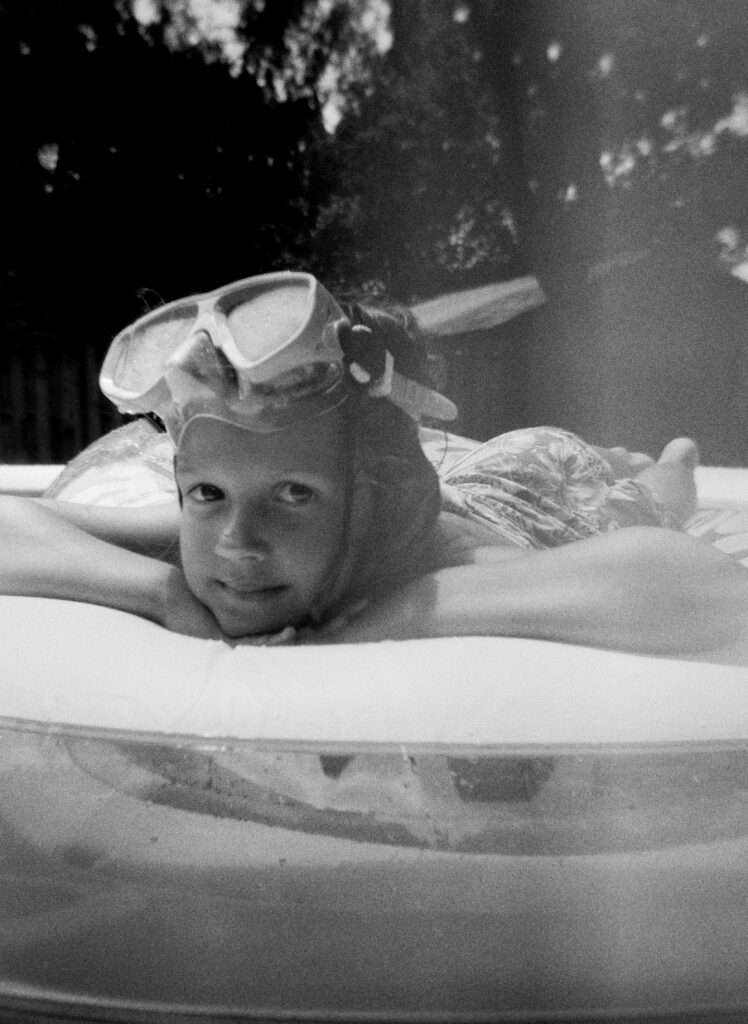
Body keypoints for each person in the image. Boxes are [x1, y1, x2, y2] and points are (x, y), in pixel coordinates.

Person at [0, 271, 745, 655]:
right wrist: (162, 593)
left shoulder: (440, 554)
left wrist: (383, 622)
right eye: (207, 493)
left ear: (372, 496)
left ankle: (671, 458)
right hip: (449, 471)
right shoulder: (224, 521)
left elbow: (702, 584)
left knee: (641, 492)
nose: (237, 543)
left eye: (295, 492)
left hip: (527, 491)